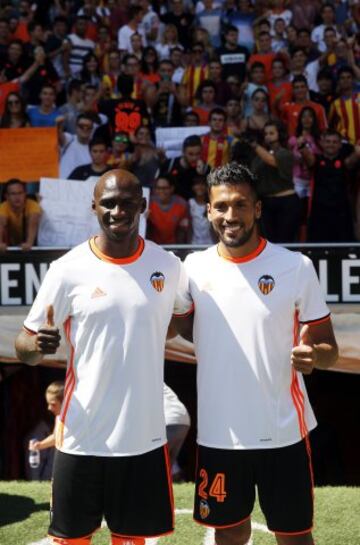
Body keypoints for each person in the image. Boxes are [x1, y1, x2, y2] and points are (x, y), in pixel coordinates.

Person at [15, 169, 189, 545]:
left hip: (143, 439)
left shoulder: (169, 267)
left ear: (142, 206)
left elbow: (177, 324)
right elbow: (23, 346)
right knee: (71, 541)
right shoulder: (67, 270)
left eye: (127, 203)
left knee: (132, 541)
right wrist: (36, 347)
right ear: (93, 206)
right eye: (108, 203)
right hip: (82, 436)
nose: (117, 211)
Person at [173, 162, 338, 545]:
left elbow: (329, 348)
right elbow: (183, 327)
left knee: (294, 537)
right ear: (209, 210)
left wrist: (316, 358)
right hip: (220, 435)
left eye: (241, 205)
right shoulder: (192, 269)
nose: (232, 216)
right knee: (229, 534)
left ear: (258, 209)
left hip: (282, 431)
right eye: (222, 206)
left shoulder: (295, 267)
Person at [0, 178, 42, 252]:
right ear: (6, 196)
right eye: (13, 194)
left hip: (31, 244)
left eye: (20, 193)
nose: (17, 197)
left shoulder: (32, 205)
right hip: (10, 244)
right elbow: (1, 223)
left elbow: (33, 222)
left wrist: (29, 243)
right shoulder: (3, 207)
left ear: (25, 193)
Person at [147, 176, 189, 244]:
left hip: (175, 248)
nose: (161, 191)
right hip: (154, 246)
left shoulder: (181, 204)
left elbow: (183, 231)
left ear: (172, 188)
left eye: (164, 188)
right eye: (158, 188)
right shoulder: (148, 204)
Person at [28, 381, 64, 454]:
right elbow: (55, 437)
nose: (49, 408)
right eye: (48, 404)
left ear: (64, 402)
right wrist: (39, 445)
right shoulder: (59, 417)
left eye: (53, 404)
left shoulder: (75, 419)